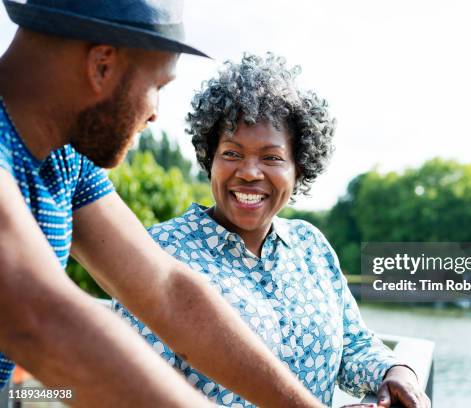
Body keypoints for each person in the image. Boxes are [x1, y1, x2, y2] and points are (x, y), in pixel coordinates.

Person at [0, 1, 324, 407]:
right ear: (102, 64)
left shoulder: (65, 160)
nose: (155, 115)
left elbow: (168, 291)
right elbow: (40, 319)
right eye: (158, 86)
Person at [114, 53, 431, 408]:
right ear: (210, 159)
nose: (249, 172)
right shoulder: (160, 252)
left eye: (272, 157)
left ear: (299, 168)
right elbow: (139, 393)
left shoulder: (312, 247)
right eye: (232, 153)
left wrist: (397, 371)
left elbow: (353, 344)